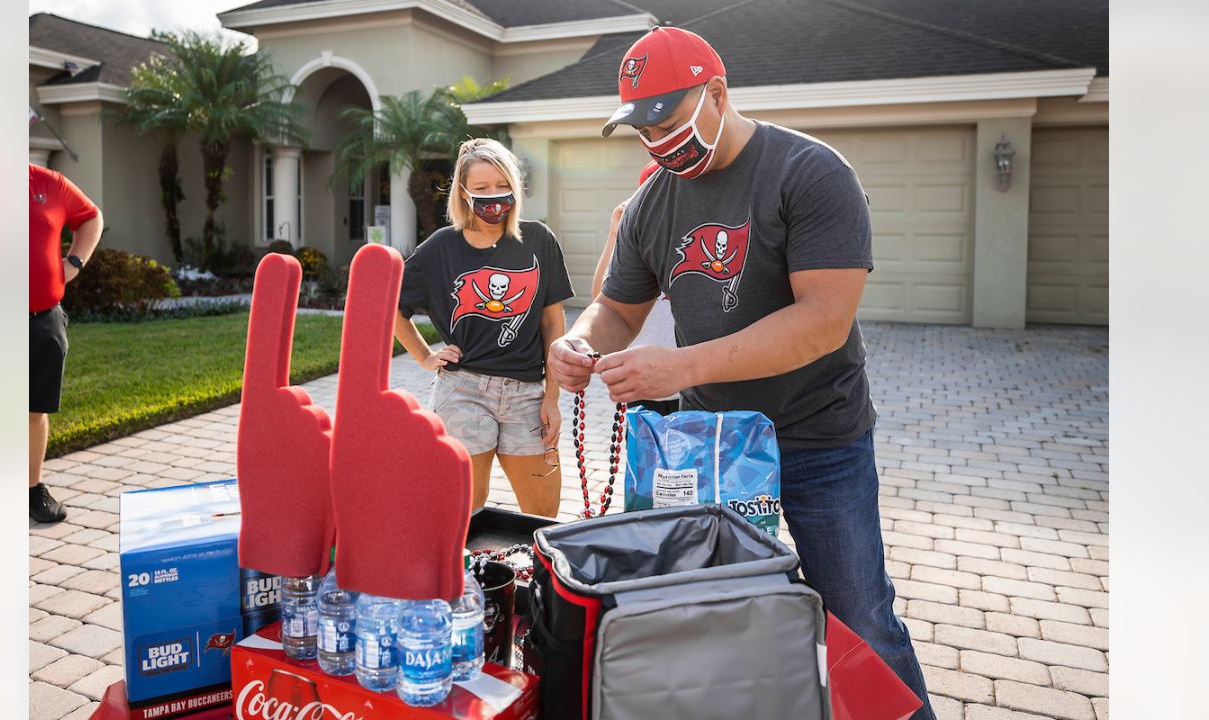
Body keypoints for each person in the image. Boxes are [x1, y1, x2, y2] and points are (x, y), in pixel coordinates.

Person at [548, 27, 935, 719]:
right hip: (714, 446)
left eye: (667, 122)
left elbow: (823, 321)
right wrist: (577, 342)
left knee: (858, 616)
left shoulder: (810, 173)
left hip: (822, 439)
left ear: (717, 93)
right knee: (713, 612)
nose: (657, 143)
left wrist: (679, 367)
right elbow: (615, 308)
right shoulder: (651, 204)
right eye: (642, 129)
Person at [395, 138, 574, 518]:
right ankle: (466, 580)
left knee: (542, 518)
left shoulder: (538, 240)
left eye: (501, 185)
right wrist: (426, 357)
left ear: (515, 185)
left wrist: (553, 397)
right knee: (463, 517)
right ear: (463, 193)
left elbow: (553, 322)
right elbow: (393, 308)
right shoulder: (441, 247)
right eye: (481, 189)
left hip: (527, 394)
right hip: (463, 390)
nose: (493, 196)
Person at [30, 164, 103, 523]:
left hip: (43, 318)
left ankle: (32, 491)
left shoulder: (49, 183)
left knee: (34, 410)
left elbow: (91, 217)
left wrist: (74, 262)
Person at [589, 161, 679, 416]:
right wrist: (614, 235)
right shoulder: (635, 246)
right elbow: (600, 296)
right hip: (642, 379)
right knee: (645, 452)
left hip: (689, 383)